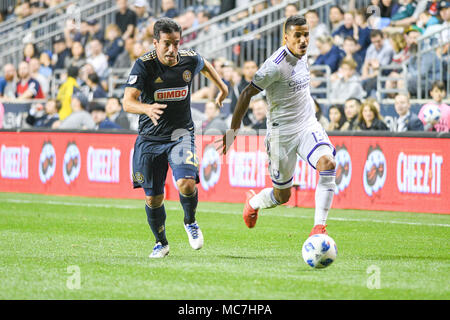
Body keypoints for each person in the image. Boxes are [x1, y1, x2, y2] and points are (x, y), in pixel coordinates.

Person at [219, 15, 337, 238]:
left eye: (306, 35)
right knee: (283, 196)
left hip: (306, 125)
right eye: (297, 36)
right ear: (286, 38)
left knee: (327, 163)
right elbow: (246, 93)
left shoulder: (304, 55)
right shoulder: (274, 66)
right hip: (281, 133)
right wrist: (233, 131)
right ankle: (253, 202)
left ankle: (318, 229)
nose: (303, 40)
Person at [122, 18, 228, 258]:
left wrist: (223, 88)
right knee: (153, 197)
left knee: (187, 183)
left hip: (181, 134)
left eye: (176, 44)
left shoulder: (189, 59)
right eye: (167, 44)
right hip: (150, 139)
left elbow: (205, 64)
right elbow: (127, 102)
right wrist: (146, 109)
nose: (172, 50)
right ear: (155, 42)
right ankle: (161, 242)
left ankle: (190, 221)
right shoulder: (143, 65)